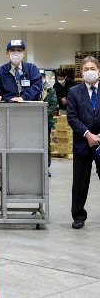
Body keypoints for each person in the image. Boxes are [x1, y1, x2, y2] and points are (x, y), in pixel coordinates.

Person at [66, 56, 100, 229]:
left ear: (99, 70)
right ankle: (78, 215)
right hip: (82, 143)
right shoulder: (74, 91)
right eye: (86, 69)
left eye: (92, 68)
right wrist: (88, 134)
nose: (89, 71)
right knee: (80, 182)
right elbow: (71, 117)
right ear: (81, 73)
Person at [40, 70, 58, 177]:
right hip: (33, 122)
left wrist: (42, 114)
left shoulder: (50, 89)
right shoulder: (32, 89)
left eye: (41, 77)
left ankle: (46, 168)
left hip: (46, 121)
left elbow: (53, 104)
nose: (40, 79)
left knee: (46, 145)